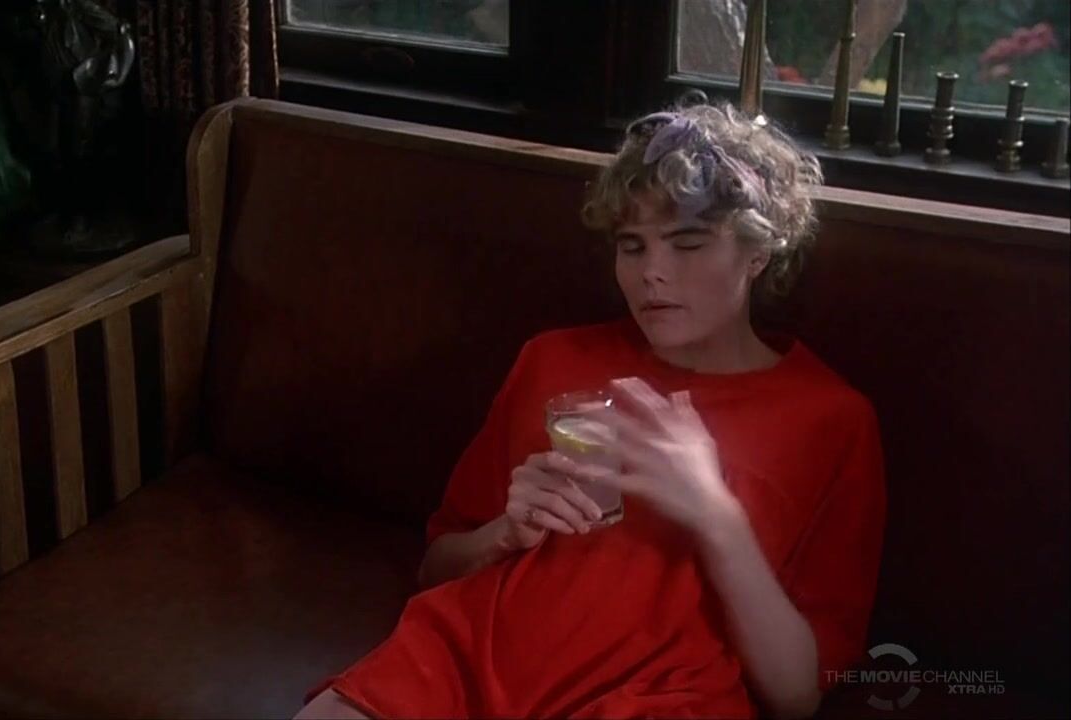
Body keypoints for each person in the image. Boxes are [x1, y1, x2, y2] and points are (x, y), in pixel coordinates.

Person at [293, 102, 887, 720]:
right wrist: (506, 532)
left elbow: (797, 694)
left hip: (653, 703)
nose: (653, 273)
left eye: (687, 243)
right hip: (455, 665)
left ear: (757, 252)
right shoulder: (553, 359)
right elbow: (435, 568)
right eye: (632, 246)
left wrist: (715, 514)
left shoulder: (830, 420)